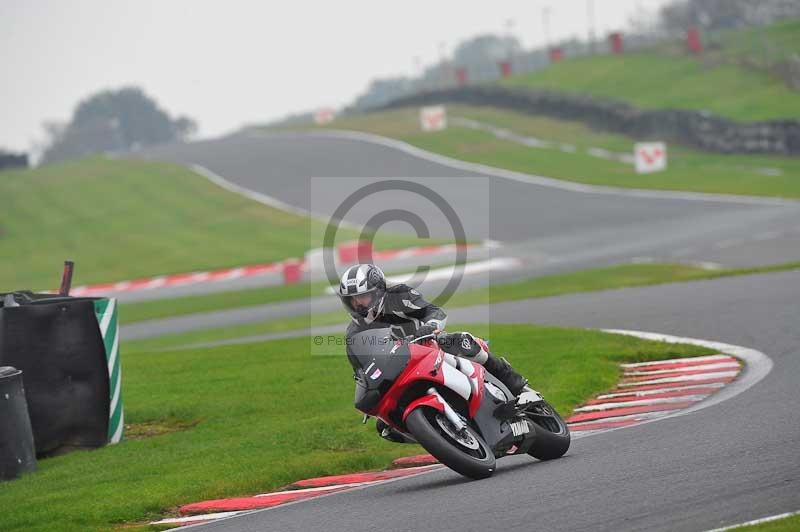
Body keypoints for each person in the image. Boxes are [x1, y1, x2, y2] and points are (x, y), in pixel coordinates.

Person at [337, 263, 534, 442]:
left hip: (429, 344)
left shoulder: (399, 295)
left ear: (379, 291)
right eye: (352, 301)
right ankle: (442, 436)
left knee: (461, 342)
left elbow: (434, 312)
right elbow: (361, 369)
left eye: (363, 297)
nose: (359, 305)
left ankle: (519, 387)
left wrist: (429, 327)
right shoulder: (354, 333)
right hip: (399, 366)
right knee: (385, 428)